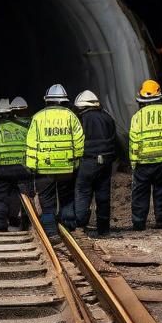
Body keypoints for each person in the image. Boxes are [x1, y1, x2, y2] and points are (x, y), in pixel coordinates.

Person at [25, 83, 84, 237]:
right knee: (66, 198)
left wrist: (31, 167)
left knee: (47, 202)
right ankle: (69, 228)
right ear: (64, 100)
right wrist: (76, 162)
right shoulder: (71, 116)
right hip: (67, 167)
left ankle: (51, 233)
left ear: (47, 100)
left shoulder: (37, 118)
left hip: (44, 170)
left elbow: (31, 145)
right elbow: (79, 141)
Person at [128, 79, 162, 230]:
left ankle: (139, 223)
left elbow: (134, 143)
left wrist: (133, 163)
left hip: (143, 163)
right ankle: (161, 221)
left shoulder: (137, 117)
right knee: (161, 191)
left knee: (140, 193)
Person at [72, 90, 117, 237]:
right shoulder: (108, 118)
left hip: (87, 162)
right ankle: (103, 229)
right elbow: (114, 140)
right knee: (103, 195)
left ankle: (80, 225)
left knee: (83, 193)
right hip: (106, 162)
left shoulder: (80, 119)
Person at [0, 99, 33, 232]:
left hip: (3, 170)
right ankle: (25, 223)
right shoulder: (24, 129)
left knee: (1, 198)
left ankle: (0, 225)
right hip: (23, 169)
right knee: (25, 196)